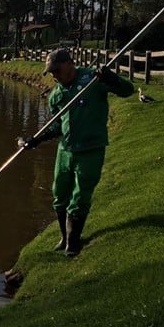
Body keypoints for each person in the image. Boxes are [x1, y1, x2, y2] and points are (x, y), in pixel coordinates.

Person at [19, 49, 134, 257]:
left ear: (69, 63)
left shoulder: (93, 79)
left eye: (56, 70)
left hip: (90, 149)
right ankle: (64, 237)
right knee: (59, 194)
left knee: (80, 196)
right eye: (50, 72)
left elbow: (128, 90)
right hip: (66, 150)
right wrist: (36, 140)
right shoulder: (56, 95)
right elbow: (57, 127)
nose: (54, 75)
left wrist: (111, 78)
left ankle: (73, 242)